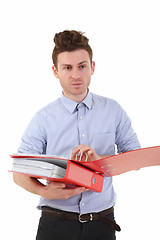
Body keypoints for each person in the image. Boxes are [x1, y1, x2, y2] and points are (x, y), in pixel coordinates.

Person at [13, 30, 141, 240]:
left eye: (82, 66)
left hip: (102, 223)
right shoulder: (42, 118)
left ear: (92, 67)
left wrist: (101, 161)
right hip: (55, 224)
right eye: (67, 68)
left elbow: (136, 158)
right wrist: (45, 192)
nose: (75, 75)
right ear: (55, 71)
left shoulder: (113, 110)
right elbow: (19, 173)